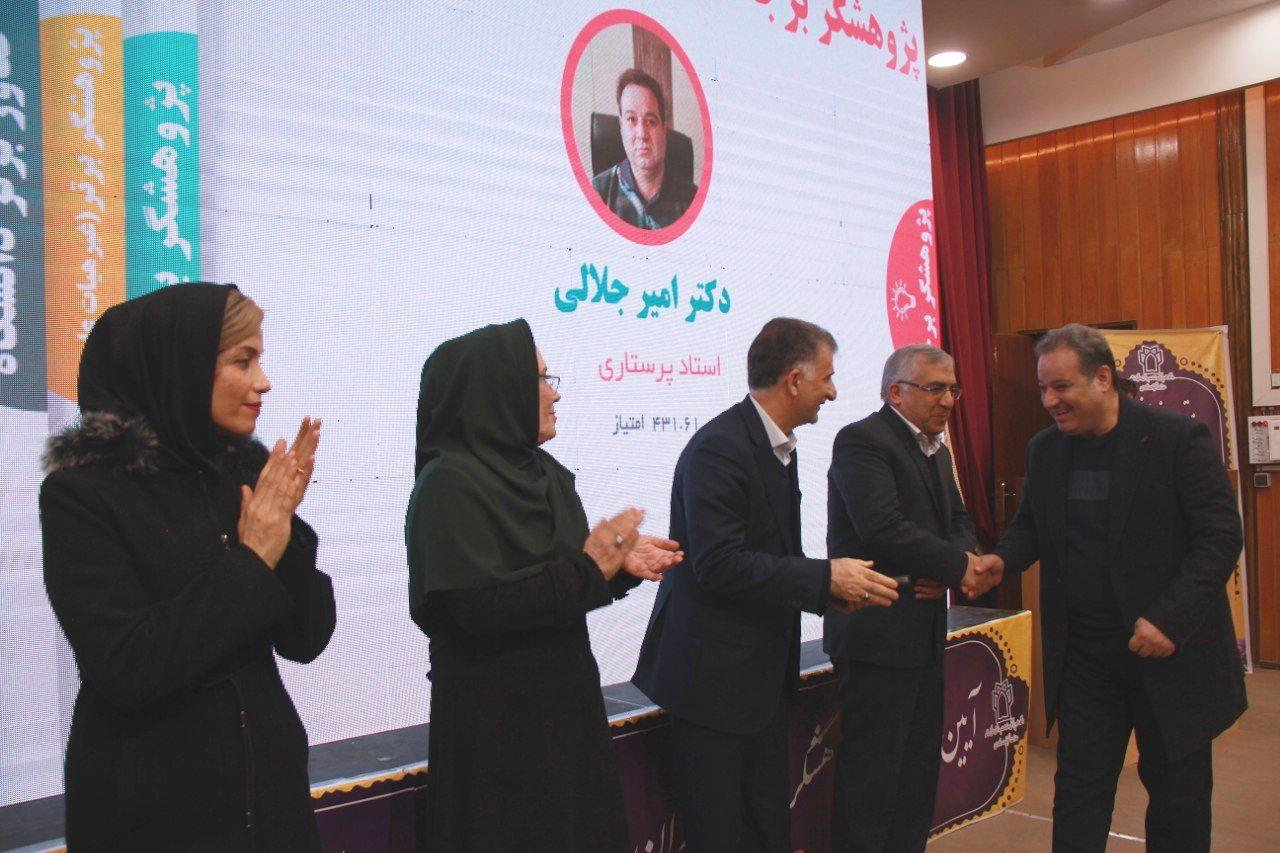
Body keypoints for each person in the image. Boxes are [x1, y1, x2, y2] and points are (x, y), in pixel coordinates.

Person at [40, 283, 335, 849]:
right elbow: (128, 667)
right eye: (242, 361)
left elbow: (307, 637)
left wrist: (287, 533)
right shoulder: (83, 495)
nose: (263, 382)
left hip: (270, 806)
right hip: (153, 816)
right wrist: (252, 559)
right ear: (181, 367)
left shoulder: (241, 470)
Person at [406, 319, 681, 852]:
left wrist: (616, 569)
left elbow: (561, 588)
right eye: (539, 378)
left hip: (568, 713)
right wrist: (592, 568)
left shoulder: (546, 475)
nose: (554, 393)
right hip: (496, 736)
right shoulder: (448, 486)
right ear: (497, 389)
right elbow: (475, 609)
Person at [633, 318, 899, 852]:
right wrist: (825, 575)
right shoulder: (719, 449)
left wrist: (830, 593)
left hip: (756, 682)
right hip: (713, 685)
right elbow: (720, 565)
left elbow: (771, 557)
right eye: (827, 377)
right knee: (721, 836)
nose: (833, 391)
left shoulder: (776, 446)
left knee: (766, 831)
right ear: (794, 380)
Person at [983, 323, 1246, 851]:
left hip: (1170, 655)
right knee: (1079, 792)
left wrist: (1169, 619)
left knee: (1178, 798)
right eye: (1043, 388)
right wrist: (1000, 560)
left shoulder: (1177, 439)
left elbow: (1220, 537)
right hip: (1086, 659)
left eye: (1061, 386)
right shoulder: (1045, 450)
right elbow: (1032, 526)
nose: (1049, 401)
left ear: (1103, 378)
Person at [825, 344, 996, 852]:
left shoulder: (936, 449)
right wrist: (958, 567)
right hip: (875, 636)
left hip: (923, 636)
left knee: (918, 778)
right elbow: (883, 529)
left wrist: (951, 567)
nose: (948, 400)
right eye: (935, 388)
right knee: (872, 782)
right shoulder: (862, 441)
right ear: (896, 392)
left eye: (953, 389)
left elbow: (960, 522)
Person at [592, 67, 697, 229]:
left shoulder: (694, 201)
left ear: (663, 129)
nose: (642, 134)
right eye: (631, 119)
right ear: (621, 126)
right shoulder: (596, 195)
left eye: (651, 121)